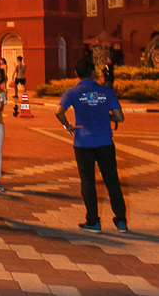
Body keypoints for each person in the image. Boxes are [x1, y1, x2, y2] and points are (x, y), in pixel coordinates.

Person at [56, 57, 127, 233]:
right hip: (105, 142)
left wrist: (67, 126)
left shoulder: (71, 92)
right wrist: (105, 116)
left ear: (76, 73)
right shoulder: (106, 92)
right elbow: (119, 117)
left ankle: (93, 221)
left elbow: (58, 112)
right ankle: (121, 221)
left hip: (83, 142)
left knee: (88, 183)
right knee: (112, 181)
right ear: (94, 72)